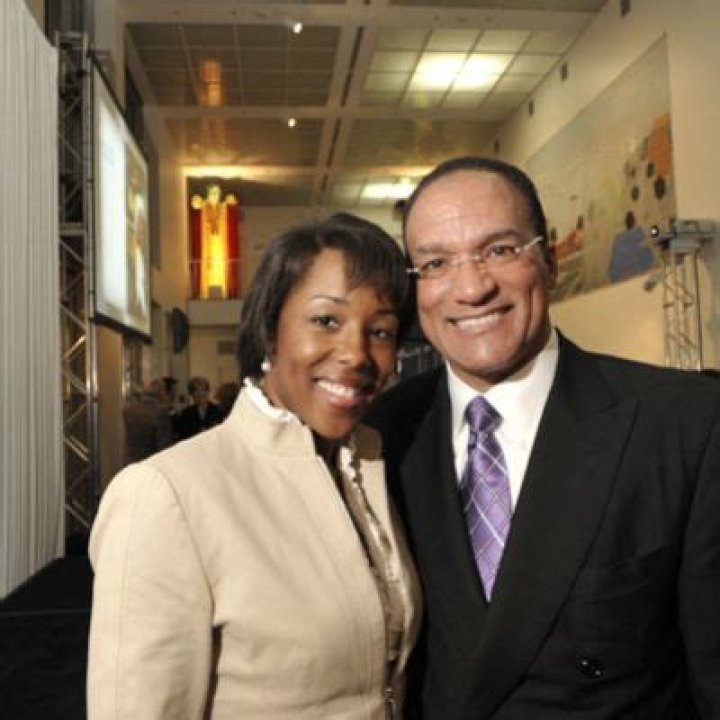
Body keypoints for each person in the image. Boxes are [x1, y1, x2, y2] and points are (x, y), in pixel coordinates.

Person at [367, 156, 720, 719]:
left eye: (499, 250)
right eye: (436, 263)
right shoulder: (380, 437)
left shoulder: (684, 426)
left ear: (549, 260)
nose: (472, 287)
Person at [87, 213, 422, 718]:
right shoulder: (165, 493)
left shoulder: (367, 466)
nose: (357, 353)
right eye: (326, 321)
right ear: (269, 331)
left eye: (380, 331)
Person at [122, 377, 174, 463]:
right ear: (160, 392)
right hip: (151, 463)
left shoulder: (129, 410)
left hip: (131, 462)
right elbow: (164, 447)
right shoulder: (160, 413)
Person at [175, 375, 224, 439]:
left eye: (203, 390)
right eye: (196, 390)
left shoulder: (218, 410)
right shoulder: (186, 413)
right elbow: (184, 436)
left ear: (208, 391)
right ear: (191, 394)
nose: (200, 393)